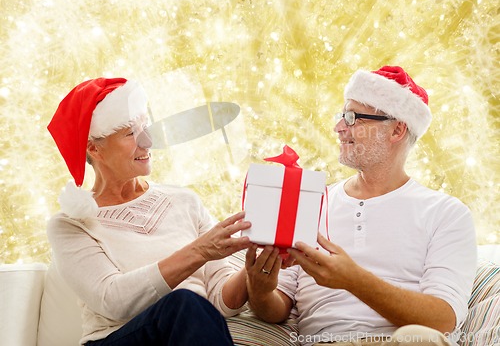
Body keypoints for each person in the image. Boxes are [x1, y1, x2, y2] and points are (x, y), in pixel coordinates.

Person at [245, 66, 477, 346]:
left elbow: (442, 320)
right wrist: (260, 291)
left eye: (353, 117)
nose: (339, 127)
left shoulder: (446, 213)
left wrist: (353, 280)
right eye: (342, 116)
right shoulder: (312, 202)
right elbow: (277, 307)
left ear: (397, 130)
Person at [46, 77, 252, 346]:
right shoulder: (71, 224)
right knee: (184, 304)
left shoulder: (184, 201)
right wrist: (199, 251)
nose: (148, 140)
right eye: (130, 133)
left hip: (188, 334)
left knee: (189, 307)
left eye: (145, 127)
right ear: (94, 148)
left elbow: (222, 301)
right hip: (116, 340)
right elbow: (113, 300)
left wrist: (252, 270)